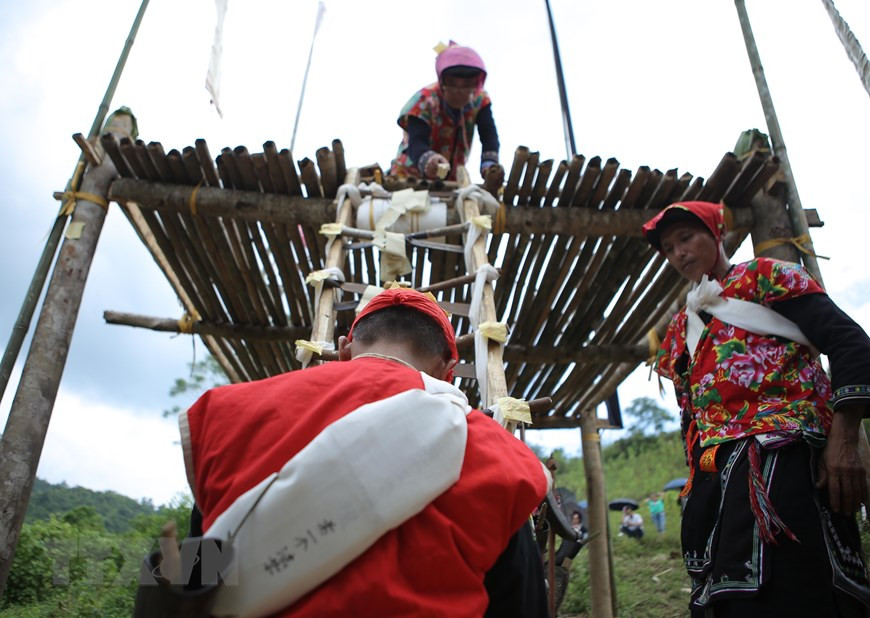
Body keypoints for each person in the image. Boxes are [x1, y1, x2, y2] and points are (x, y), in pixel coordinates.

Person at [172, 288, 551, 617]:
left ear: (343, 349)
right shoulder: (497, 458)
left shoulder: (228, 415)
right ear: (447, 371)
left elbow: (193, 579)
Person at [643, 200, 870, 617]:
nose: (679, 252)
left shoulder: (765, 277)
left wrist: (843, 442)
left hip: (780, 461)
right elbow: (690, 416)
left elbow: (850, 343)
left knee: (795, 592)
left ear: (719, 234)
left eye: (687, 237)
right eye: (669, 247)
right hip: (715, 481)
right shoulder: (680, 328)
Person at [389, 42, 504, 191]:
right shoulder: (424, 101)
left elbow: (489, 135)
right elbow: (416, 142)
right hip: (410, 178)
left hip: (451, 180)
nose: (459, 92)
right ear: (442, 81)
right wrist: (429, 159)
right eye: (453, 85)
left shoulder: (480, 101)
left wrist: (489, 165)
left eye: (466, 86)